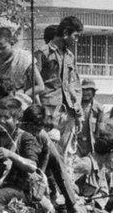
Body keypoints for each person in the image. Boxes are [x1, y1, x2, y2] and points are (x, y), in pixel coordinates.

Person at [34, 15, 84, 151]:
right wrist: (40, 112)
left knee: (65, 154)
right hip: (48, 111)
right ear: (66, 33)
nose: (76, 40)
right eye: (75, 36)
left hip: (67, 112)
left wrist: (78, 113)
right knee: (48, 151)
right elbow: (33, 85)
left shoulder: (70, 56)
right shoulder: (42, 53)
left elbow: (72, 85)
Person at [0, 26, 43, 104]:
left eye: (3, 48)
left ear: (11, 42)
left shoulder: (25, 58)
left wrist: (19, 96)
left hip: (23, 101)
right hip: (0, 102)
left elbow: (40, 86)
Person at [75, 78, 102, 157]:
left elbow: (99, 128)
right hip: (76, 142)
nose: (85, 92)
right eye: (83, 90)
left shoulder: (98, 109)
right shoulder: (75, 106)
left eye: (88, 90)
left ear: (93, 92)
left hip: (91, 144)